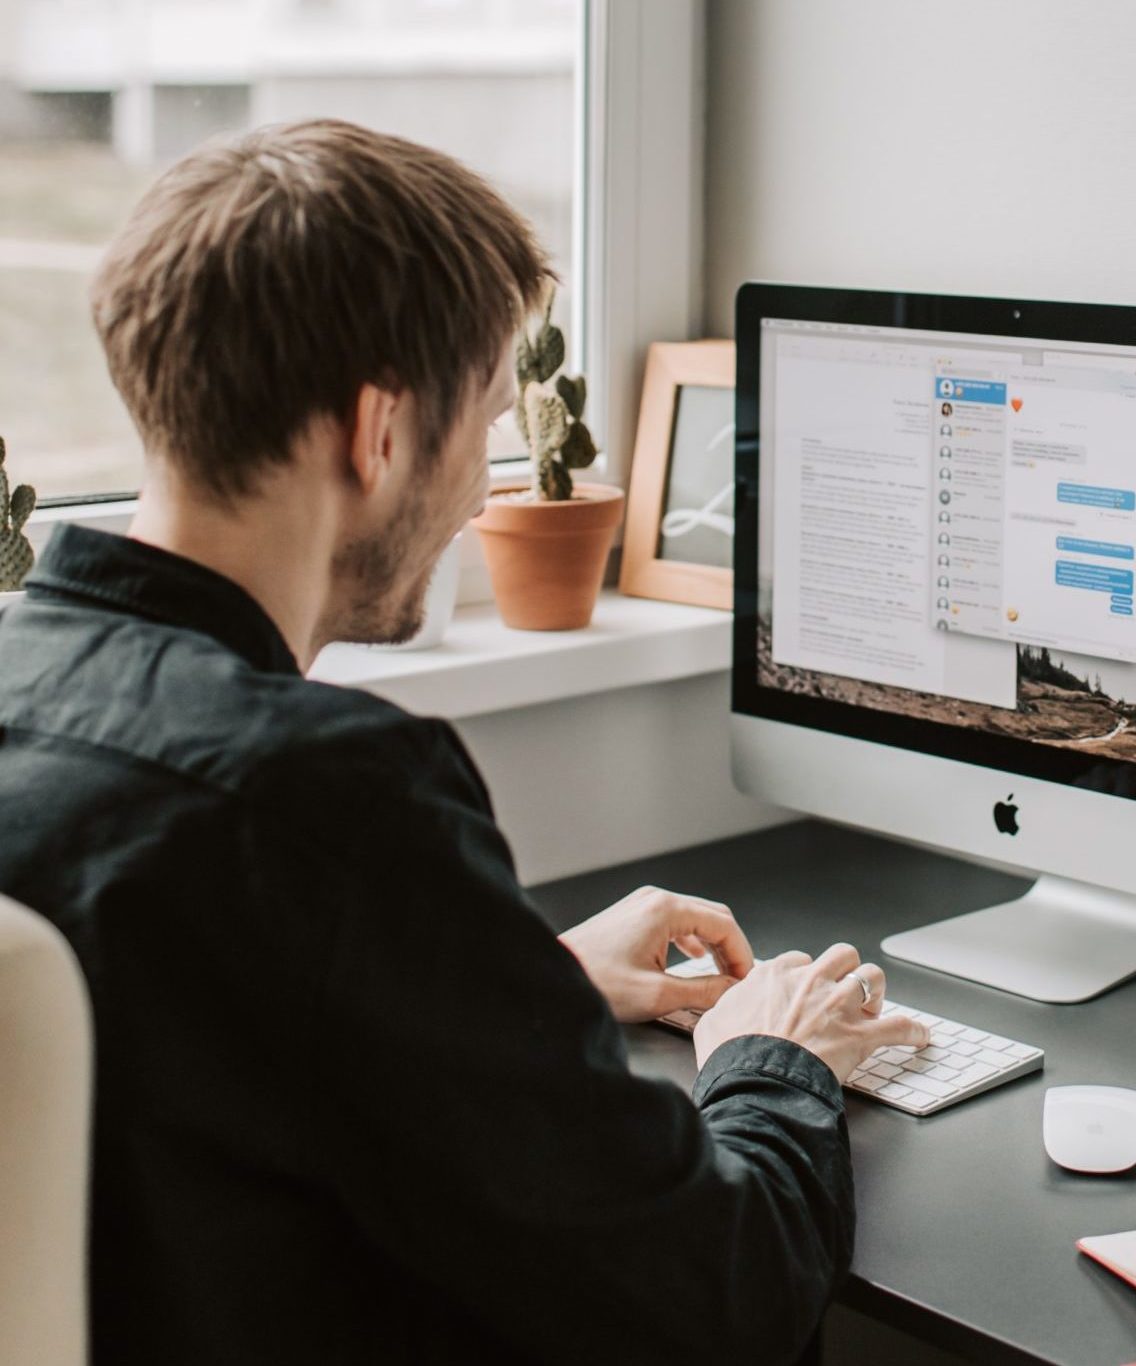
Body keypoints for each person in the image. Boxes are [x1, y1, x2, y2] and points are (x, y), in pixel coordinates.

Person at [0, 120, 928, 1366]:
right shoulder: (328, 798)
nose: (488, 488)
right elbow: (720, 1299)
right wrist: (772, 1057)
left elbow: (172, 1025)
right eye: (489, 423)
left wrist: (509, 983)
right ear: (377, 435)